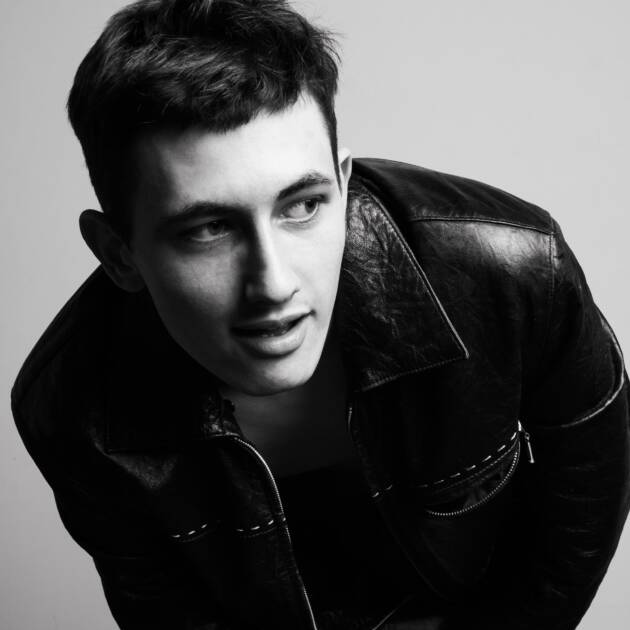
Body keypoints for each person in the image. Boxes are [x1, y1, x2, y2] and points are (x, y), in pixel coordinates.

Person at [11, 0, 630, 628]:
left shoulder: (515, 271)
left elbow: (584, 508)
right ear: (119, 255)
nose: (274, 284)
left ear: (343, 183)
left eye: (302, 205)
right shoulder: (72, 410)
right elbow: (170, 614)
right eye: (208, 229)